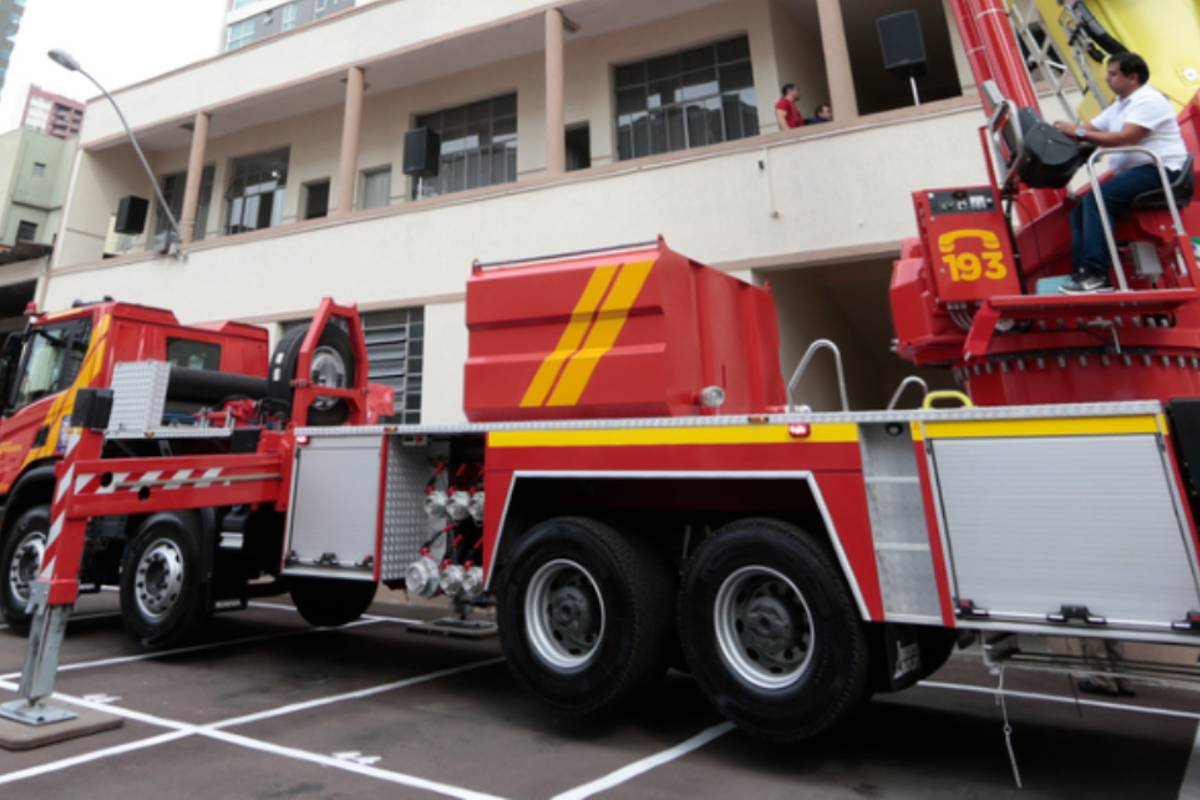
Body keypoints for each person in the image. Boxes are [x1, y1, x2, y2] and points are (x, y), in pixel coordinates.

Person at [1052, 52, 1190, 294]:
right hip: (1138, 171)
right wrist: (1057, 133)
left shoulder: (1148, 101)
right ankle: (1083, 274)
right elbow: (1087, 129)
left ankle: (1097, 275)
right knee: (1080, 208)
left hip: (1160, 170)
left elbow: (1126, 137)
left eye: (1113, 74)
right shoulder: (1120, 105)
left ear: (1132, 77)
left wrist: (1079, 133)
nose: (1107, 79)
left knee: (1099, 198)